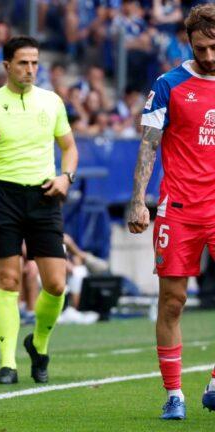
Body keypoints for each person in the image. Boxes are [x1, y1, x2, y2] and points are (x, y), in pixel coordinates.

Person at [0, 36, 78, 386]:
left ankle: (38, 345)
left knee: (57, 284)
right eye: (23, 63)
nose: (30, 69)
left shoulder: (52, 101)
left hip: (45, 196)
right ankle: (7, 363)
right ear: (7, 66)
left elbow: (69, 147)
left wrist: (66, 177)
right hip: (5, 197)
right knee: (8, 281)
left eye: (34, 63)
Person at [127, 4, 215, 420]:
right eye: (201, 48)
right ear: (189, 42)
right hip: (177, 207)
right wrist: (137, 200)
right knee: (173, 302)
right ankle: (175, 393)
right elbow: (148, 143)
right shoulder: (170, 84)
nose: (209, 56)